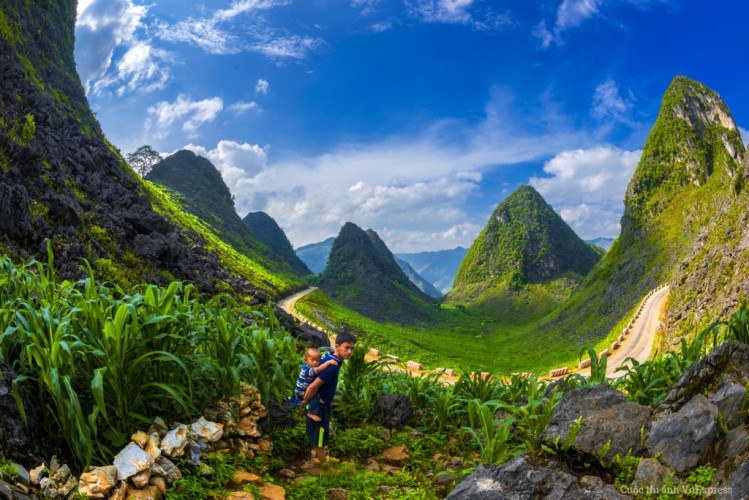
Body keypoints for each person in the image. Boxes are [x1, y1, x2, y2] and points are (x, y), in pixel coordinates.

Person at [302, 331, 356, 466]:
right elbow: (313, 387)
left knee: (320, 432)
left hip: (319, 403)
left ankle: (322, 458)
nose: (349, 351)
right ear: (337, 346)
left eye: (352, 348)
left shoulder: (330, 356)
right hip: (319, 406)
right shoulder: (332, 366)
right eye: (346, 348)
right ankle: (323, 466)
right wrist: (305, 401)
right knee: (319, 436)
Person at [288, 347, 339, 422]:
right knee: (315, 397)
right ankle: (311, 413)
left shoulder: (307, 366)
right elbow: (318, 369)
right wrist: (329, 362)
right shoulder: (308, 370)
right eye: (312, 360)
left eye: (317, 360)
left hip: (300, 389)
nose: (315, 363)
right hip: (302, 391)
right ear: (305, 360)